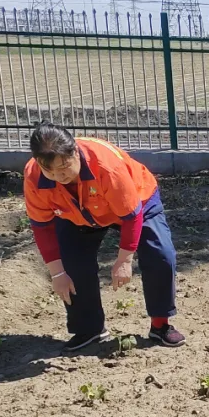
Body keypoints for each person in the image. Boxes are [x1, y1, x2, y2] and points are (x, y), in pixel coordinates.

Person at [24, 123, 185, 350]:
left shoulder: (106, 167)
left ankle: (160, 325)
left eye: (64, 168)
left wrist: (124, 260)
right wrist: (57, 273)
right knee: (72, 265)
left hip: (137, 203)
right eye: (50, 171)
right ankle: (89, 329)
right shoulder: (33, 176)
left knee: (161, 254)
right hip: (76, 214)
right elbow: (41, 226)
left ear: (75, 153)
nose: (58, 176)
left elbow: (131, 215)